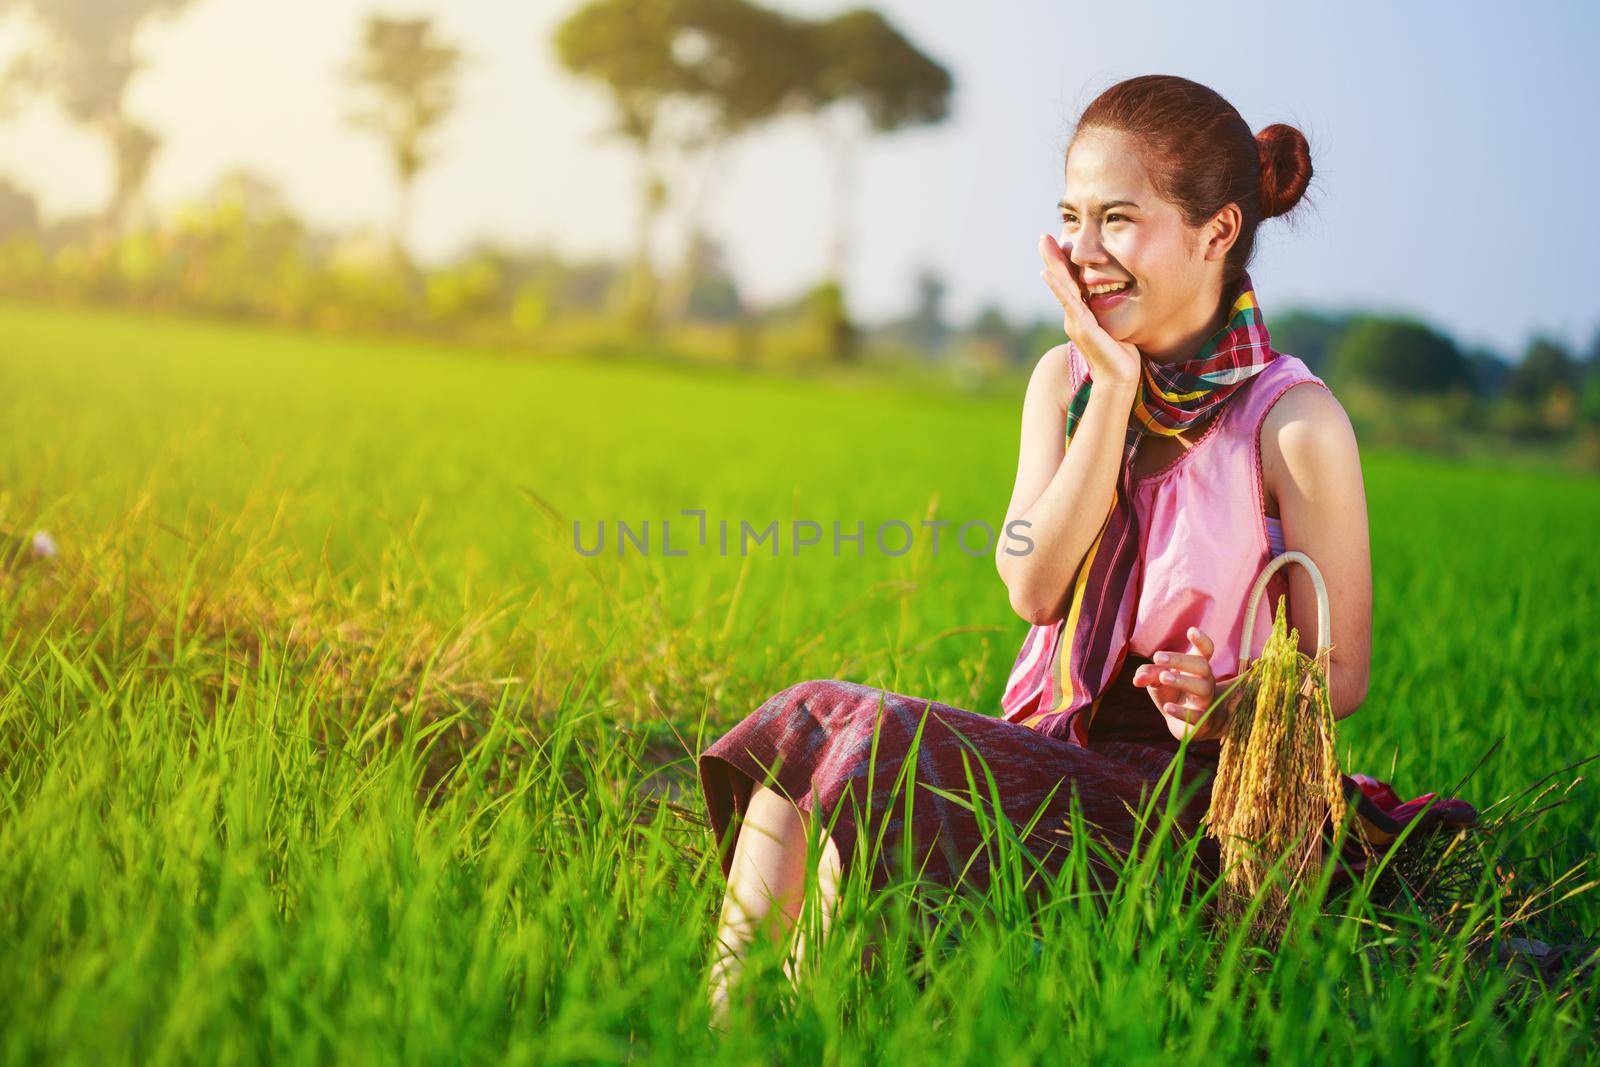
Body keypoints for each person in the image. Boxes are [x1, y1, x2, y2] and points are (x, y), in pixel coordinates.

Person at [697, 74, 1476, 1026]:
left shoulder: (1294, 421)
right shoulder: (1064, 379)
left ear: (1218, 231)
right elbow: (1029, 581)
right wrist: (1109, 394)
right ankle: (732, 1027)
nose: (1084, 251)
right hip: (1051, 749)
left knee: (876, 733)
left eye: (1118, 219)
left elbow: (1340, 672)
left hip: (1194, 797)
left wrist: (1227, 703)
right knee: (812, 725)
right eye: (1070, 217)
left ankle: (797, 1024)